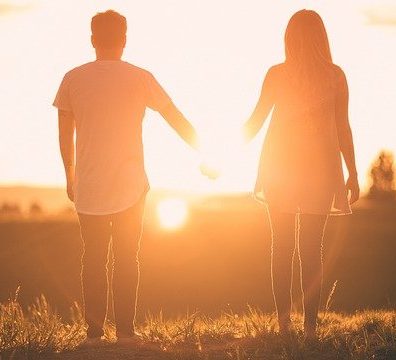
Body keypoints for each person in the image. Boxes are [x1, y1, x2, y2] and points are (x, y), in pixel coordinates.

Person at [53, 10, 199, 344]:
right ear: (125, 39)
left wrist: (70, 175)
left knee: (92, 258)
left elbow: (64, 135)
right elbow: (173, 116)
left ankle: (93, 334)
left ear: (92, 39)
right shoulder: (140, 77)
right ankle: (125, 332)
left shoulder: (72, 78)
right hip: (131, 186)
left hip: (89, 184)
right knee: (126, 258)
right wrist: (204, 150)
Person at [243, 9, 359, 338]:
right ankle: (309, 329)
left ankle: (284, 324)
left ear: (288, 37)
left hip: (280, 166)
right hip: (320, 168)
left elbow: (256, 120)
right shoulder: (335, 75)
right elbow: (343, 129)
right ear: (322, 37)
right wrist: (352, 172)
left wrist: (218, 156)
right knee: (312, 249)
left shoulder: (277, 74)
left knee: (281, 247)